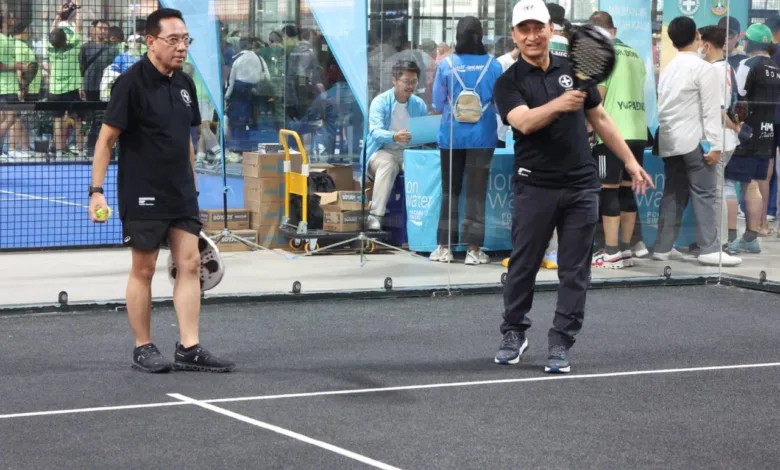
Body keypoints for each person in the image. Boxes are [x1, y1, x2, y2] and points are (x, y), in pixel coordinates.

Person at [492, 0, 653, 373]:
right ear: (514, 35)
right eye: (524, 29)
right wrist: (561, 104)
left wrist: (630, 161)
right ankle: (514, 332)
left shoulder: (573, 70)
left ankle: (561, 342)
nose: (532, 36)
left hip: (581, 185)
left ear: (551, 30)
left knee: (575, 270)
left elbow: (600, 117)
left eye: (538, 27)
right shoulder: (507, 82)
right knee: (523, 265)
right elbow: (524, 122)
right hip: (535, 186)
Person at [88, 8, 235, 373]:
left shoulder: (184, 84)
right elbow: (105, 142)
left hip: (180, 191)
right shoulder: (129, 84)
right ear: (151, 42)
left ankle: (189, 347)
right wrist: (96, 191)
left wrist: (193, 183)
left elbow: (186, 139)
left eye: (185, 40)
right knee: (145, 268)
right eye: (173, 40)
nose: (181, 47)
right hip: (143, 190)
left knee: (190, 264)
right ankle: (143, 347)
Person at [654, 16, 741, 267]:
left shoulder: (668, 69)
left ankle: (663, 247)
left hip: (671, 141)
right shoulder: (703, 69)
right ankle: (710, 249)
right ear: (697, 37)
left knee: (673, 194)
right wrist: (714, 146)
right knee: (705, 194)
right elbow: (711, 112)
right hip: (695, 142)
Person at [429, 16, 503, 266]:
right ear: (481, 36)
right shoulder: (493, 65)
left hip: (451, 135)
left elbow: (437, 103)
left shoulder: (446, 64)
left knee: (450, 191)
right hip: (483, 136)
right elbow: (500, 104)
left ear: (457, 35)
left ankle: (444, 247)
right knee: (476, 193)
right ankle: (473, 250)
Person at [588, 11, 649, 269]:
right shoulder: (635, 54)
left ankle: (610, 251)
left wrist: (588, 129)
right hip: (638, 132)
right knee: (626, 190)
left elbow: (597, 98)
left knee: (608, 190)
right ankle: (625, 249)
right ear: (613, 30)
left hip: (612, 135)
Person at [726, 23, 780, 254]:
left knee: (728, 182)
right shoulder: (775, 67)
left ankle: (727, 239)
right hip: (767, 134)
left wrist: (732, 123)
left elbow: (738, 97)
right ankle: (750, 237)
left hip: (745, 133)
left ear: (750, 42)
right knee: (754, 184)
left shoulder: (748, 64)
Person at [364, 60, 428, 230]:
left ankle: (422, 217)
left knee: (422, 167)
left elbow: (423, 131)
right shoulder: (380, 102)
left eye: (414, 82)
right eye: (406, 81)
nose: (410, 86)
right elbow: (375, 132)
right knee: (388, 164)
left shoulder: (419, 104)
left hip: (408, 152)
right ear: (394, 80)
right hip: (382, 151)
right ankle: (375, 216)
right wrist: (394, 136)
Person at [697, 25, 742, 250]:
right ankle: (716, 240)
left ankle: (718, 242)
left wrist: (733, 126)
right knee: (716, 191)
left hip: (718, 139)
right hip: (726, 138)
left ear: (706, 44)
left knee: (715, 193)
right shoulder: (727, 67)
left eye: (698, 42)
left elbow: (718, 109)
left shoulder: (713, 71)